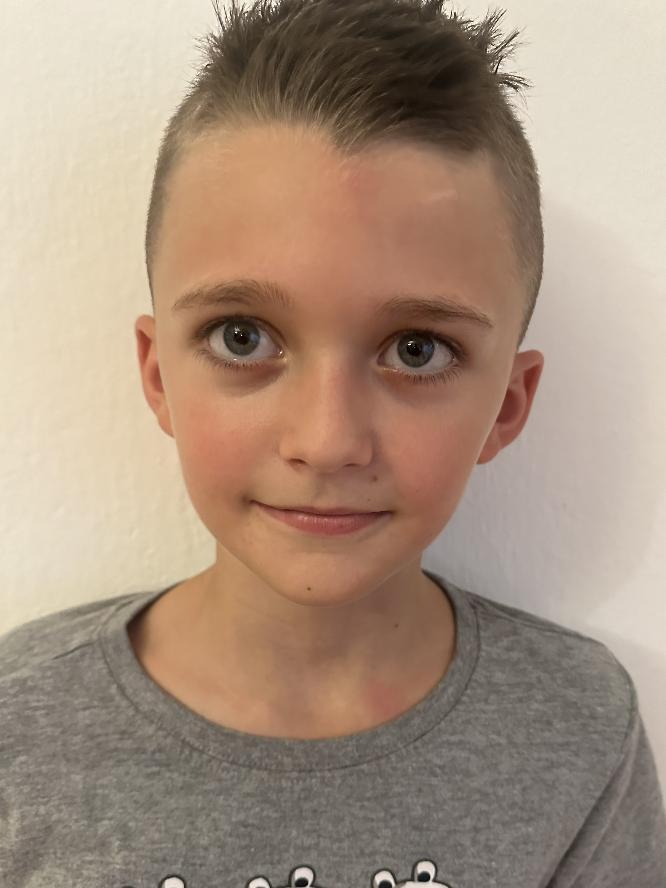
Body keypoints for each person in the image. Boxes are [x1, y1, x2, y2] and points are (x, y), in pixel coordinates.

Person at [2, 0, 665, 885]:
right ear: (158, 376)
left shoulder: (579, 732)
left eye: (417, 350)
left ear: (508, 406)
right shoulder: (19, 731)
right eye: (243, 337)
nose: (326, 441)